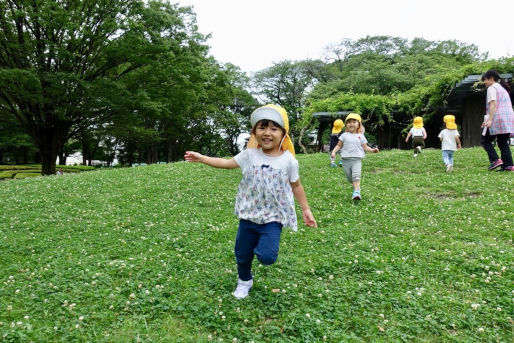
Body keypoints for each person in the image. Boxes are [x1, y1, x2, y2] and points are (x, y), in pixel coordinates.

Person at [184, 104, 317, 300]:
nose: (267, 133)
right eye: (262, 127)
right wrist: (203, 158)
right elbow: (227, 164)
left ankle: (261, 245)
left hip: (273, 217)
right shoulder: (249, 155)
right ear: (254, 132)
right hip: (248, 215)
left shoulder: (289, 161)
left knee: (267, 256)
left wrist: (305, 209)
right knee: (242, 254)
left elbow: (296, 185)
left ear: (283, 133)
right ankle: (244, 280)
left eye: (274, 128)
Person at [330, 113, 379, 200]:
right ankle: (356, 187)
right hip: (345, 160)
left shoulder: (361, 136)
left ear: (358, 125)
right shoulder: (343, 135)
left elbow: (365, 147)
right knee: (350, 178)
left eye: (354, 122)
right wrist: (333, 152)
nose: (351, 124)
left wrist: (372, 150)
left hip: (357, 159)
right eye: (349, 122)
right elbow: (338, 145)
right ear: (345, 125)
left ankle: (356, 192)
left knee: (356, 176)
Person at [480, 70, 514, 171]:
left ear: (491, 78)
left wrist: (490, 120)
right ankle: (508, 165)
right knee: (503, 142)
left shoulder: (492, 88)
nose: (484, 82)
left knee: (485, 140)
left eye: (485, 80)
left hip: (498, 118)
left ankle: (495, 160)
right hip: (508, 118)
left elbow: (493, 104)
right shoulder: (502, 88)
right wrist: (487, 119)